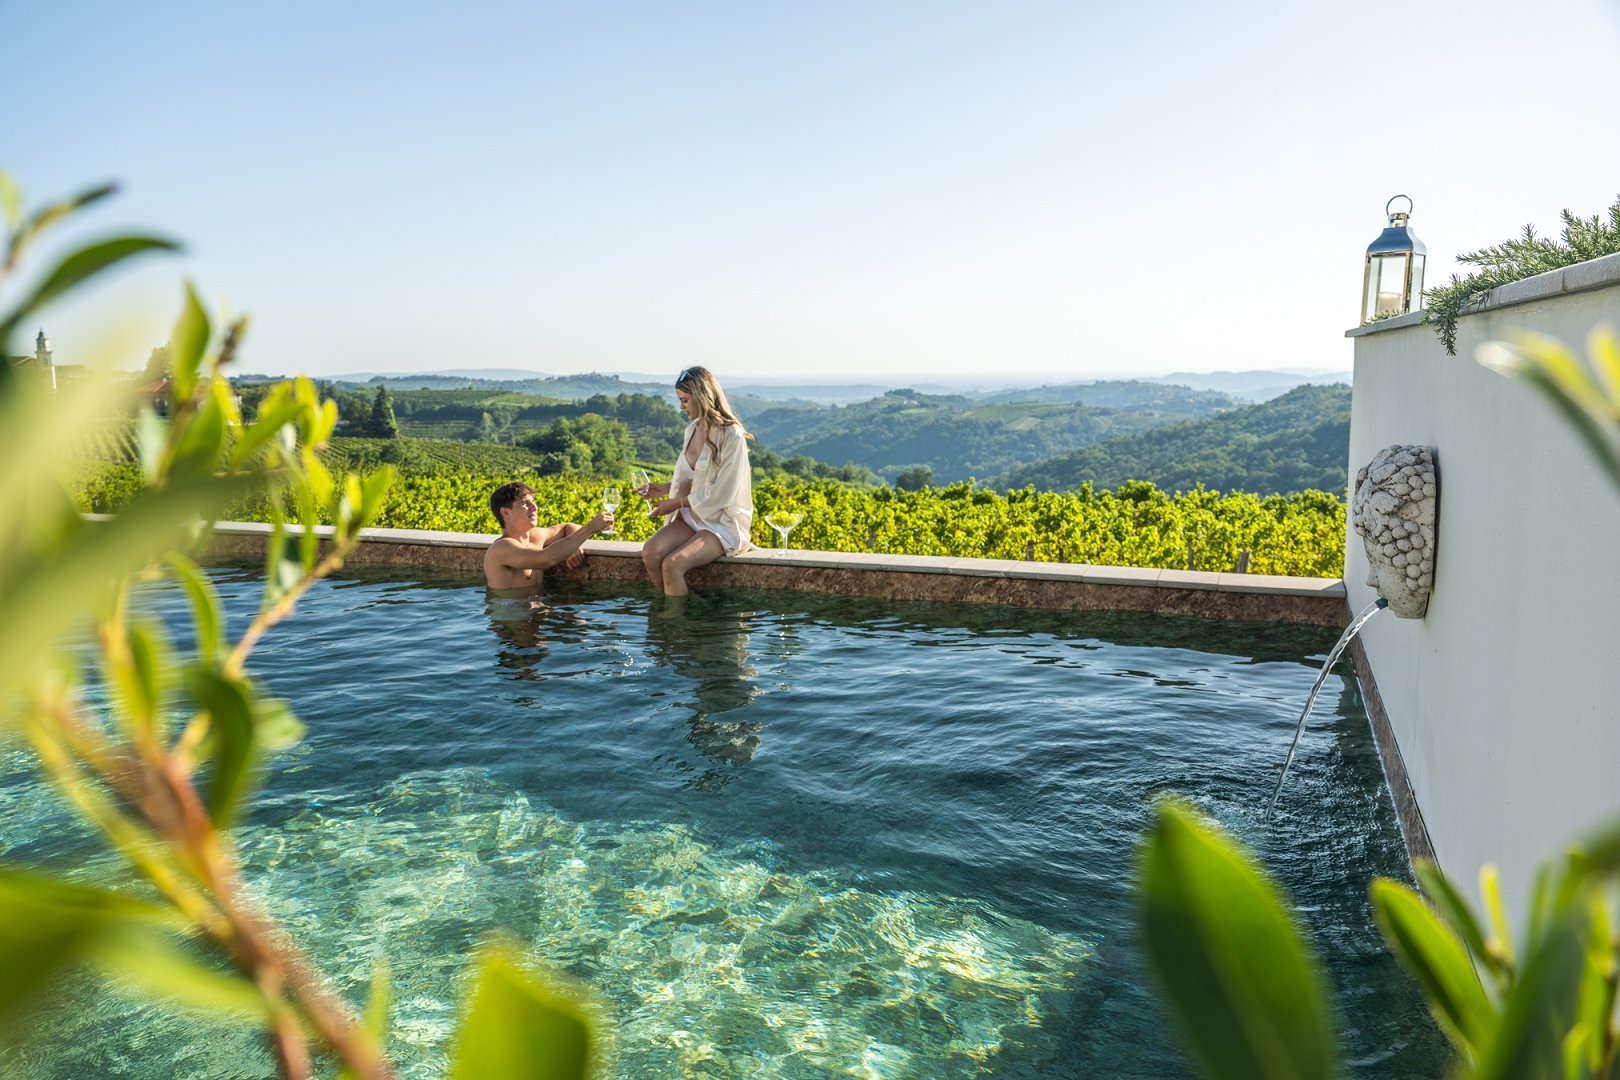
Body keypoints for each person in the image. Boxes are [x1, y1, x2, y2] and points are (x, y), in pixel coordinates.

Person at [639, 366, 754, 596]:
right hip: (691, 516)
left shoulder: (732, 435)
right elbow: (692, 477)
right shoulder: (692, 429)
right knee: (651, 552)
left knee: (672, 564)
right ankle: (675, 609)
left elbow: (725, 492)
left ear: (701, 396)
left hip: (719, 520)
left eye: (685, 400)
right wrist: (664, 489)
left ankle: (677, 624)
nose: (681, 407)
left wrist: (677, 503)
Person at [484, 481, 614, 595]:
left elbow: (567, 527)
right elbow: (547, 558)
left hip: (537, 612)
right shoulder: (501, 548)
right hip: (510, 619)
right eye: (525, 503)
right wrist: (590, 528)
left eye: (533, 502)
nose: (534, 508)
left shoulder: (535, 536)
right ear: (505, 512)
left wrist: (575, 545)